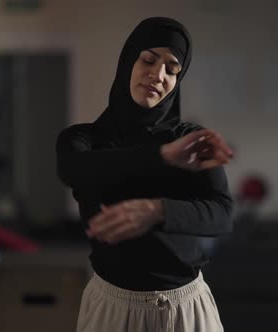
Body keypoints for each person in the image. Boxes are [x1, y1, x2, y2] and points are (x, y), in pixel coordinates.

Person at [56, 17, 234, 331]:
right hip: (112, 309)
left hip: (185, 308)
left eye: (172, 68)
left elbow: (221, 214)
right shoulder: (83, 140)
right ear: (128, 62)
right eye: (149, 60)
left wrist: (159, 211)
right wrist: (163, 155)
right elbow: (75, 170)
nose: (158, 75)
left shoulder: (191, 138)